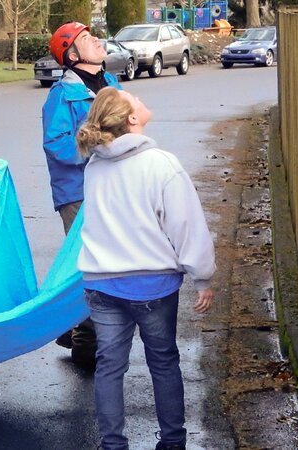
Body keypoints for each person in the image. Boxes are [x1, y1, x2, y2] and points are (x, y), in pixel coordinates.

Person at [75, 87, 216, 450]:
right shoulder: (161, 164)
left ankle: (112, 445)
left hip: (101, 285)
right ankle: (172, 442)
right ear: (131, 119)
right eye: (133, 98)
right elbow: (185, 226)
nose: (138, 97)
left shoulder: (94, 166)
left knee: (109, 367)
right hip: (153, 285)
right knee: (164, 363)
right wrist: (202, 276)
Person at [41, 22, 122, 365]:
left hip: (111, 189)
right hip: (77, 194)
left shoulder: (112, 84)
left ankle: (70, 325)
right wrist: (96, 148)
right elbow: (56, 144)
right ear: (72, 55)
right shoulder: (61, 95)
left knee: (110, 260)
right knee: (89, 265)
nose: (98, 41)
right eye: (87, 39)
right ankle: (85, 341)